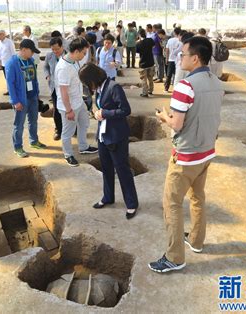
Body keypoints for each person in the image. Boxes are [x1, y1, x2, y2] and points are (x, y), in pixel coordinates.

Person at [149, 36, 223, 273]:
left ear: (195, 58)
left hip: (187, 155)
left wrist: (163, 117)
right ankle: (196, 240)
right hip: (206, 152)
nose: (179, 58)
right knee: (197, 197)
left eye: (183, 54)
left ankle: (174, 257)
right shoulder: (215, 81)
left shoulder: (186, 86)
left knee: (171, 203)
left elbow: (177, 124)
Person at [79, 63, 139, 219]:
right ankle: (108, 197)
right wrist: (97, 113)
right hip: (103, 135)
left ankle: (131, 204)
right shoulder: (98, 90)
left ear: (93, 78)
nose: (87, 87)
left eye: (87, 83)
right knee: (106, 168)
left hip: (116, 135)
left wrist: (105, 113)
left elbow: (126, 110)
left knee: (122, 170)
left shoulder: (114, 87)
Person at [55, 38, 98, 167]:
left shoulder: (74, 61)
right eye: (84, 53)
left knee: (84, 123)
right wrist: (68, 110)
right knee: (68, 132)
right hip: (68, 106)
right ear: (77, 51)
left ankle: (83, 146)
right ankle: (68, 154)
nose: (84, 56)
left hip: (78, 101)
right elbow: (63, 91)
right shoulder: (63, 68)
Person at [5, 39, 46, 158]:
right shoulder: (12, 63)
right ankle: (18, 147)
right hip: (21, 99)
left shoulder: (31, 61)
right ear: (23, 50)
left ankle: (34, 141)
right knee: (19, 124)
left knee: (33, 121)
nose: (33, 54)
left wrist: (37, 93)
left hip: (32, 97)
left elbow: (34, 79)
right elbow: (10, 84)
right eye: (31, 51)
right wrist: (15, 101)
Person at [44, 37, 66, 141]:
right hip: (54, 87)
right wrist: (47, 75)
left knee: (68, 108)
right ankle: (58, 130)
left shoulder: (68, 56)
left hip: (66, 87)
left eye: (57, 49)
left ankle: (72, 128)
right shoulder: (49, 56)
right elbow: (45, 67)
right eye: (53, 49)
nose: (55, 51)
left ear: (62, 46)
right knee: (57, 109)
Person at [136, 28, 155, 97]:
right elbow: (153, 46)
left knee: (143, 79)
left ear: (139, 35)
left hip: (143, 63)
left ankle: (145, 92)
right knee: (150, 77)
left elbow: (137, 51)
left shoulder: (138, 43)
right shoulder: (150, 40)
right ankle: (151, 90)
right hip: (151, 62)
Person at [0, 29, 16, 96]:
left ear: (4, 34)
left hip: (9, 64)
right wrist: (0, 63)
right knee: (7, 78)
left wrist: (14, 63)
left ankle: (13, 90)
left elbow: (13, 53)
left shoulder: (9, 42)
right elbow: (0, 53)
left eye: (0, 34)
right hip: (3, 63)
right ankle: (9, 90)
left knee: (11, 78)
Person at [164, 27, 183, 92]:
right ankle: (176, 88)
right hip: (178, 60)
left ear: (174, 33)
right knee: (177, 75)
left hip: (171, 59)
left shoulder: (170, 40)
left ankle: (166, 88)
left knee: (168, 74)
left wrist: (166, 58)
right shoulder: (181, 41)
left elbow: (167, 50)